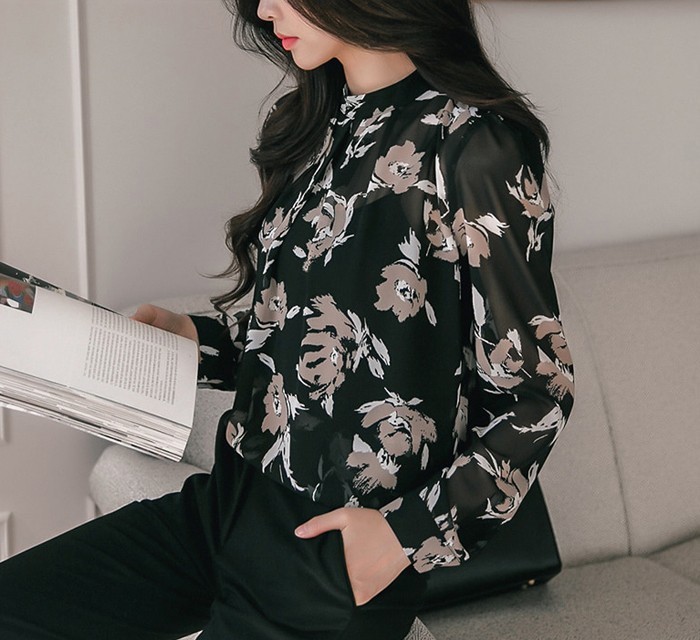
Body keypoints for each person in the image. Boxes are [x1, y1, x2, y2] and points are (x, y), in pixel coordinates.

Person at [0, 0, 575, 638]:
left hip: (330, 552)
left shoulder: (477, 144)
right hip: (231, 502)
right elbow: (295, 326)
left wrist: (407, 536)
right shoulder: (312, 123)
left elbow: (538, 394)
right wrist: (193, 338)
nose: (265, 7)